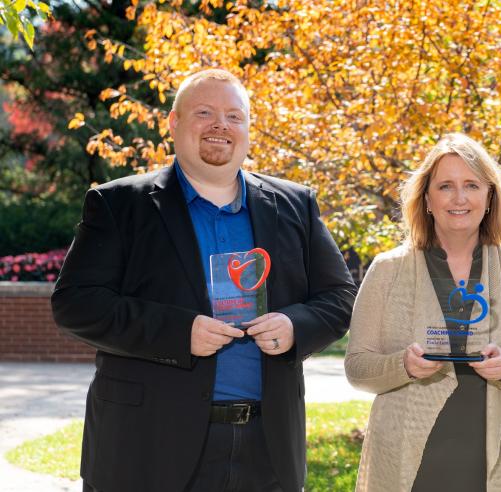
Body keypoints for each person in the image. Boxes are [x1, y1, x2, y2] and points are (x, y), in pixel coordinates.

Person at [52, 69, 357, 492]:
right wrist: (180, 333)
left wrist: (294, 326)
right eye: (204, 113)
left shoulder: (294, 204)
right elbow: (76, 304)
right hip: (147, 447)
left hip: (267, 449)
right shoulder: (118, 204)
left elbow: (339, 297)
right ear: (173, 122)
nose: (221, 125)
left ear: (247, 129)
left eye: (234, 116)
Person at [344, 133, 501, 491]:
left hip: (497, 455)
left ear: (489, 197)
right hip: (407, 455)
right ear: (427, 198)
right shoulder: (387, 269)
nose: (459, 198)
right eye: (445, 186)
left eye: (472, 185)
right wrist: (402, 365)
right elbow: (357, 368)